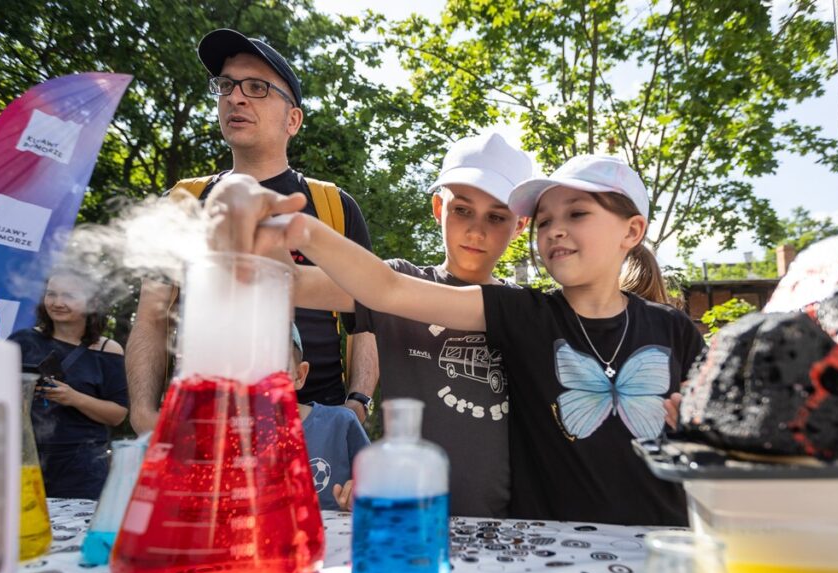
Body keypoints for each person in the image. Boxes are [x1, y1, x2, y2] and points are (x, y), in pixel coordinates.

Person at [205, 155, 706, 526]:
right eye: (549, 219)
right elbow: (379, 286)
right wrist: (274, 236)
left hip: (588, 532)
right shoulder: (524, 314)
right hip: (482, 532)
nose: (556, 232)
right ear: (438, 208)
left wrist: (700, 425)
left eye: (576, 215)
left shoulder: (664, 327)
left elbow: (719, 436)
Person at [126, 28, 378, 435]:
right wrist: (142, 415)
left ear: (292, 120)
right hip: (200, 425)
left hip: (313, 430)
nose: (235, 97)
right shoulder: (183, 201)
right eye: (226, 85)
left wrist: (357, 404)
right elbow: (151, 319)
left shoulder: (333, 206)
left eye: (257, 87)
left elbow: (365, 321)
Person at [331, 132, 530, 517]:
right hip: (409, 520)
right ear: (438, 207)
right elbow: (306, 285)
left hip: (509, 529)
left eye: (496, 216)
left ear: (520, 225)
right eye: (463, 209)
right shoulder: (397, 283)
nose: (476, 230)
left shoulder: (528, 310)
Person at [10, 268, 129, 499]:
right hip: (23, 459)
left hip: (82, 467)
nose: (57, 302)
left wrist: (74, 398)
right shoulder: (22, 341)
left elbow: (118, 415)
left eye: (69, 296)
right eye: (51, 294)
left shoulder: (108, 350)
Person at [290, 324, 366, 512]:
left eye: (275, 369)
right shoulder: (226, 440)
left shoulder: (340, 424)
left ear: (299, 375)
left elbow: (379, 485)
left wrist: (361, 492)